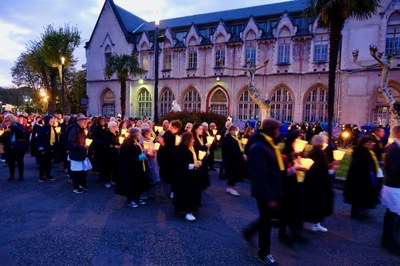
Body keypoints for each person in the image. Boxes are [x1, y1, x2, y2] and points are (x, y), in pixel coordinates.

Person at [242, 118, 284, 265]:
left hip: (272, 189)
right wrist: (269, 197)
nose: (279, 132)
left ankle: (248, 231)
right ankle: (264, 253)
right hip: (265, 192)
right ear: (271, 130)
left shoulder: (268, 143)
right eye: (277, 129)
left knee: (266, 219)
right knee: (266, 223)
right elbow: (258, 175)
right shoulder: (260, 147)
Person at [343, 136, 380, 220]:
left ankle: (358, 211)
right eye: (370, 143)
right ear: (365, 144)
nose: (372, 144)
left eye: (372, 143)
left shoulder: (365, 151)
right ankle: (356, 213)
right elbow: (360, 166)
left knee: (358, 196)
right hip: (360, 179)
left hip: (362, 178)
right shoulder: (361, 152)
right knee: (358, 196)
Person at [303, 134, 333, 232]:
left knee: (312, 202)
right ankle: (315, 224)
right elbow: (321, 169)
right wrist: (331, 168)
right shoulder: (320, 154)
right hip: (318, 183)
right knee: (318, 203)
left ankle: (314, 223)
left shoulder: (313, 152)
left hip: (312, 181)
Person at [173, 132, 202, 221]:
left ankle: (187, 208)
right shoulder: (182, 150)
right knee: (187, 193)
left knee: (192, 192)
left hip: (191, 174)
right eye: (192, 139)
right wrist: (195, 165)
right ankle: (188, 211)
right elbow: (182, 164)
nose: (193, 140)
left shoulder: (190, 148)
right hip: (184, 176)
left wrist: (198, 162)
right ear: (187, 140)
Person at [116, 127, 147, 207]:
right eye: (139, 133)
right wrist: (143, 155)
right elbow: (131, 158)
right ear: (136, 134)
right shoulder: (129, 143)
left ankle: (137, 197)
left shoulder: (134, 141)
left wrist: (142, 151)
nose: (140, 135)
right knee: (132, 183)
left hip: (137, 166)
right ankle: (131, 200)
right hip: (131, 167)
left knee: (138, 182)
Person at [381, 125, 400, 255]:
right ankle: (390, 241)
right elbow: (397, 169)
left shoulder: (395, 147)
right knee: (393, 215)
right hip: (394, 186)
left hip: (394, 186)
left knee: (392, 214)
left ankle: (388, 239)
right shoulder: (394, 149)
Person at [67, 114, 92, 194]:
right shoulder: (74, 130)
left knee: (84, 171)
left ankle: (82, 184)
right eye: (84, 121)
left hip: (84, 153)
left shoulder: (85, 130)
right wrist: (82, 146)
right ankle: (76, 187)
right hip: (76, 154)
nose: (86, 123)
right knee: (77, 172)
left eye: (86, 121)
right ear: (79, 122)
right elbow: (70, 143)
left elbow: (88, 138)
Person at [1, 114, 28, 181]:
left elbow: (22, 132)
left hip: (19, 146)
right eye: (5, 121)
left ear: (12, 119)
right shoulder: (7, 127)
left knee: (20, 161)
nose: (6, 122)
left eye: (7, 120)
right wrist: (5, 133)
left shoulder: (19, 125)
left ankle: (21, 175)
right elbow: (3, 138)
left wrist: (14, 127)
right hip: (10, 147)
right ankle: (11, 175)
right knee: (11, 161)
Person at [223, 125, 245, 196]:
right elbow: (232, 149)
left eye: (236, 130)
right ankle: (232, 188)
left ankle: (229, 187)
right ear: (230, 131)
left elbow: (237, 146)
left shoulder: (234, 137)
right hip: (231, 159)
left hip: (234, 158)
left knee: (232, 173)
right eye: (234, 130)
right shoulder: (228, 138)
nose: (235, 131)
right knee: (232, 173)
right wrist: (241, 154)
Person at [36, 115, 58, 182]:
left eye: (52, 120)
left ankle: (48, 175)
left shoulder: (53, 128)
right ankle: (41, 176)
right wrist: (41, 148)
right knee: (43, 163)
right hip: (44, 148)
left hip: (51, 147)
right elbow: (39, 139)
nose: (52, 121)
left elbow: (55, 138)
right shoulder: (42, 128)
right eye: (51, 120)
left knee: (49, 162)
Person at [101, 121, 120, 188]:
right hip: (108, 153)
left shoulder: (117, 133)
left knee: (115, 167)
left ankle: (114, 180)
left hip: (115, 153)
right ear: (109, 127)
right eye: (114, 126)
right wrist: (113, 146)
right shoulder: (106, 134)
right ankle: (107, 181)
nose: (116, 127)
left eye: (116, 126)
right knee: (107, 168)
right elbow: (104, 144)